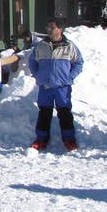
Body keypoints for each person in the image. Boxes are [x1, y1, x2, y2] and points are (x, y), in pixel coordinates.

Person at [29, 18, 84, 151]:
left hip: (62, 87)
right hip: (45, 87)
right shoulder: (40, 45)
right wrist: (38, 75)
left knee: (65, 113)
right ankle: (41, 139)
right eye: (47, 27)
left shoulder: (69, 46)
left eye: (51, 27)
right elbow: (32, 62)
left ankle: (69, 139)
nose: (48, 30)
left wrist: (69, 77)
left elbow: (79, 63)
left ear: (60, 29)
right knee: (44, 113)